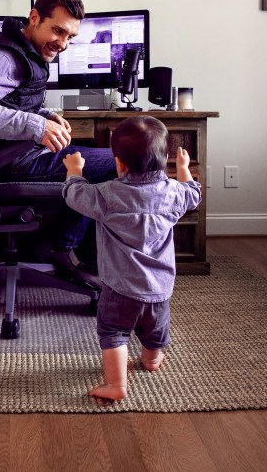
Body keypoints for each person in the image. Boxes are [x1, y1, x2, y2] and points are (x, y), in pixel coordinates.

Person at [0, 0, 117, 282]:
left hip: (13, 157)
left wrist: (44, 115)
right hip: (12, 162)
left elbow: (11, 100)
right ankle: (67, 251)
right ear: (35, 18)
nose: (63, 44)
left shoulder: (25, 49)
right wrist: (35, 126)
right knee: (119, 163)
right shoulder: (6, 58)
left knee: (104, 161)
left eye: (70, 37)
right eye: (58, 31)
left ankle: (61, 247)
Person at [61, 115, 202, 401]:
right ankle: (151, 360)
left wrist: (75, 171)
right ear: (164, 158)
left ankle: (116, 384)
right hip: (159, 290)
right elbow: (193, 194)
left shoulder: (108, 194)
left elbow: (75, 196)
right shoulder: (173, 193)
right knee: (154, 333)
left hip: (119, 288)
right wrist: (184, 169)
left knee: (113, 333)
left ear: (119, 163)